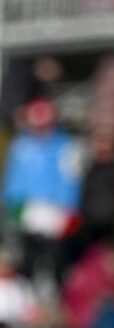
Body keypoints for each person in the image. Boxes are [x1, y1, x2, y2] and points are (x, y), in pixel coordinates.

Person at [3, 98, 81, 287]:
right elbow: (13, 177)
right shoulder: (21, 145)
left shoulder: (65, 146)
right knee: (24, 257)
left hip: (54, 210)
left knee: (56, 258)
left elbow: (70, 180)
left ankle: (57, 298)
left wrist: (67, 210)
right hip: (25, 208)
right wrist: (12, 205)